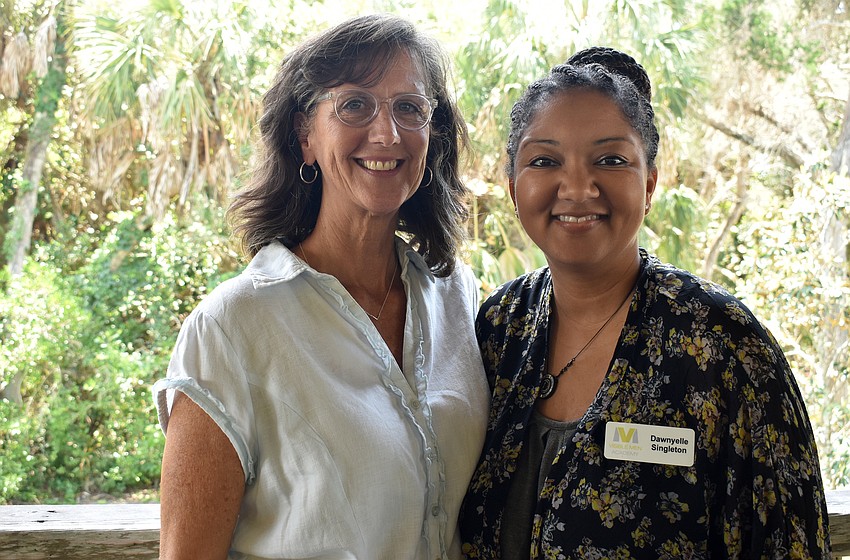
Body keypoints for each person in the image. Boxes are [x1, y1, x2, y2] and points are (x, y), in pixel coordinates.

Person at [460, 47, 831, 558]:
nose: (577, 187)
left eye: (610, 160)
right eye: (544, 160)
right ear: (513, 187)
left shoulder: (723, 344)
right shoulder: (500, 328)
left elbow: (789, 541)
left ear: (650, 183)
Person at [152, 14, 489, 560]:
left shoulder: (458, 298)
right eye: (355, 105)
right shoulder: (232, 328)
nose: (387, 133)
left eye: (410, 108)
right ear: (305, 135)